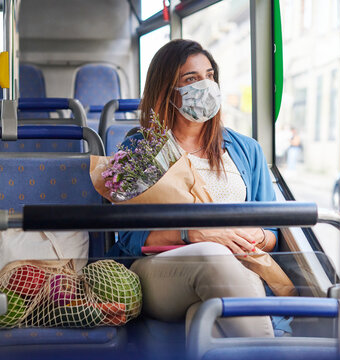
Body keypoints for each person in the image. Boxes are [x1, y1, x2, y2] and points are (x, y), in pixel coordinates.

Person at [107, 39, 279, 338]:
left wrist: (254, 237)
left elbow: (274, 231)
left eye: (210, 76)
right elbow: (129, 238)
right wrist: (193, 234)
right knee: (213, 255)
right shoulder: (141, 150)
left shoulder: (246, 149)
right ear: (167, 90)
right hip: (158, 269)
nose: (206, 85)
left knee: (204, 317)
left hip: (239, 263)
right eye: (191, 79)